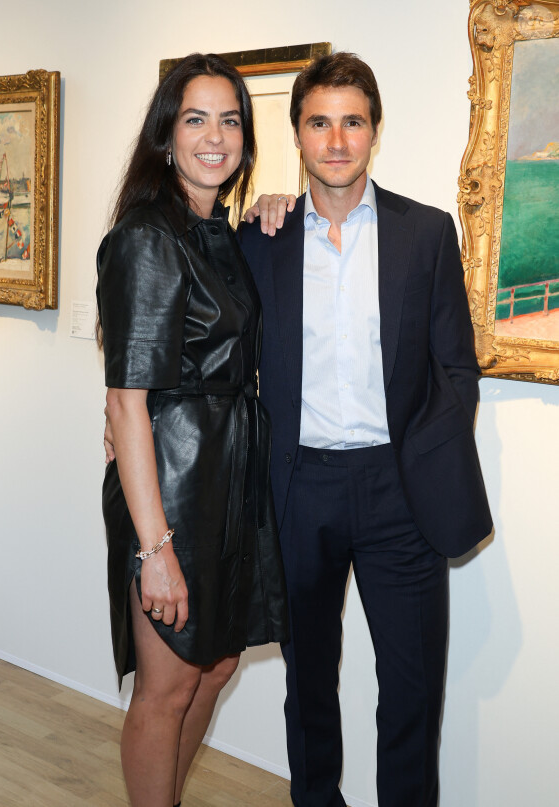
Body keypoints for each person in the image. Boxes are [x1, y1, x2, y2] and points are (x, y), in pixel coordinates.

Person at [239, 52, 493, 807]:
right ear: (298, 134)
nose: (338, 140)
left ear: (374, 132)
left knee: (412, 691)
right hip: (300, 488)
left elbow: (458, 366)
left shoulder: (426, 233)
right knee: (308, 684)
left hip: (398, 492)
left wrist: (426, 458)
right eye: (320, 122)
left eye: (353, 121)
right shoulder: (262, 237)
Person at [96, 53, 288, 807]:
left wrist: (278, 206)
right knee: (168, 686)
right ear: (166, 135)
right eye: (196, 118)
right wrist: (155, 549)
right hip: (171, 485)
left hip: (230, 477)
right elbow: (125, 402)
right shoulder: (148, 235)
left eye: (230, 119)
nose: (216, 135)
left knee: (214, 666)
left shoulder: (218, 231)